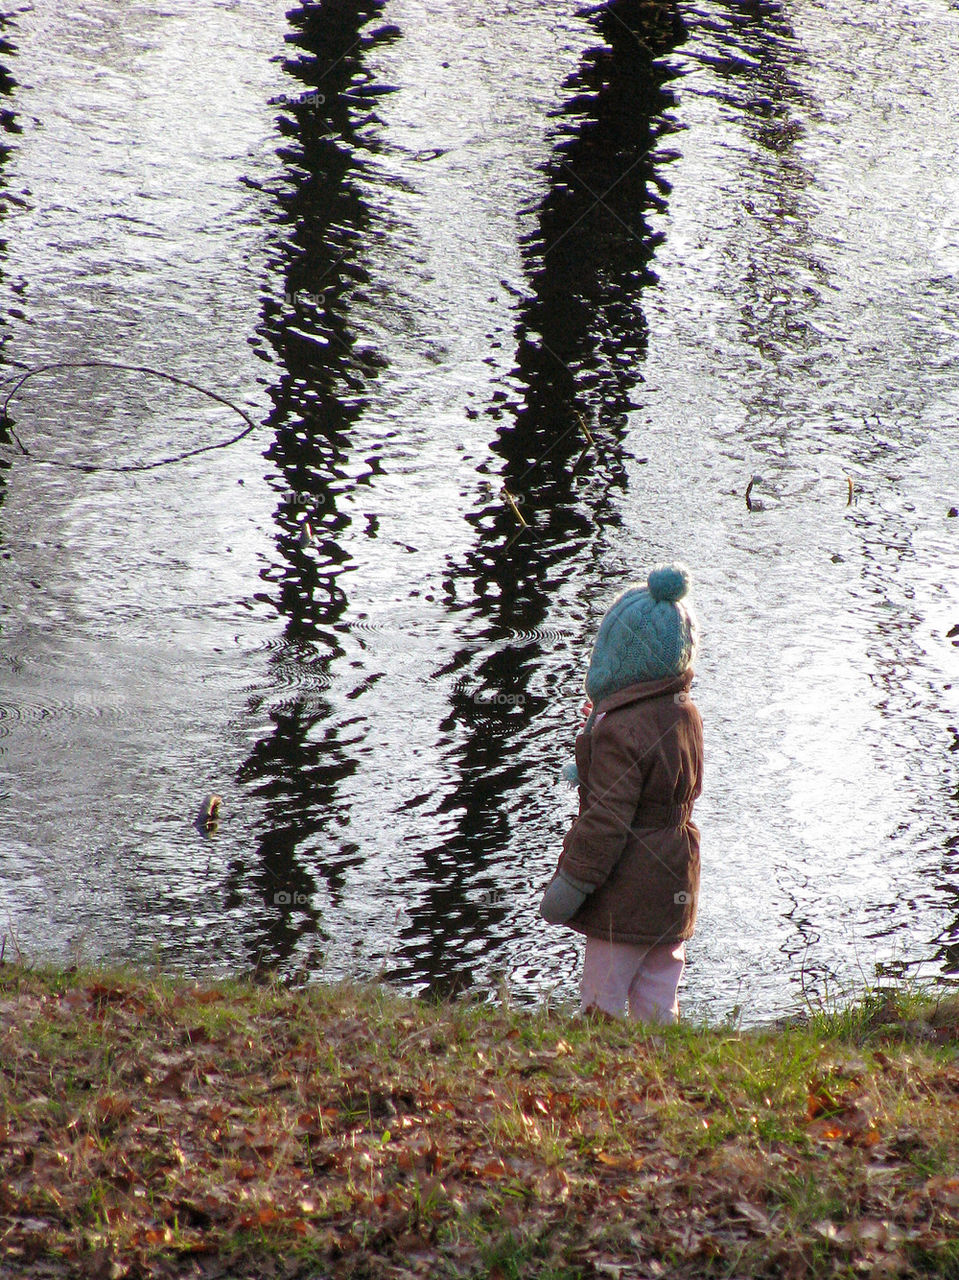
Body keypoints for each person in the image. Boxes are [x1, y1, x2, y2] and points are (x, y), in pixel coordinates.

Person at [539, 563, 703, 1023]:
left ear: (620, 657)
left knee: (602, 1002)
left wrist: (569, 885)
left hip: (625, 894)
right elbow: (655, 779)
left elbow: (606, 822)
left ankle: (598, 1076)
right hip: (676, 877)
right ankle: (660, 1073)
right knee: (658, 998)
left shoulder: (621, 729)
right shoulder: (684, 712)